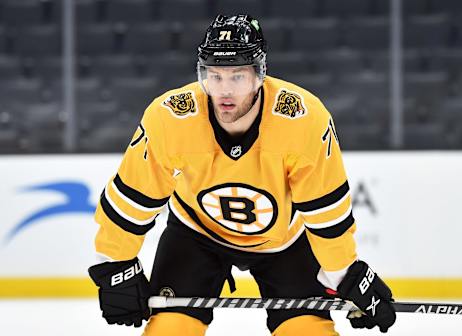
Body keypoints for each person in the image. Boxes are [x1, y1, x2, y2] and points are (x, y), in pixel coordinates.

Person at [88, 14, 396, 336]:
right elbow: (132, 198)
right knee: (169, 329)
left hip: (285, 241)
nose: (224, 90)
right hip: (196, 234)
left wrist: (346, 276)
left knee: (307, 332)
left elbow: (325, 215)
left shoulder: (303, 120)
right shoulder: (171, 119)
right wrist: (115, 265)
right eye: (215, 75)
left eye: (237, 76)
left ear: (259, 74)